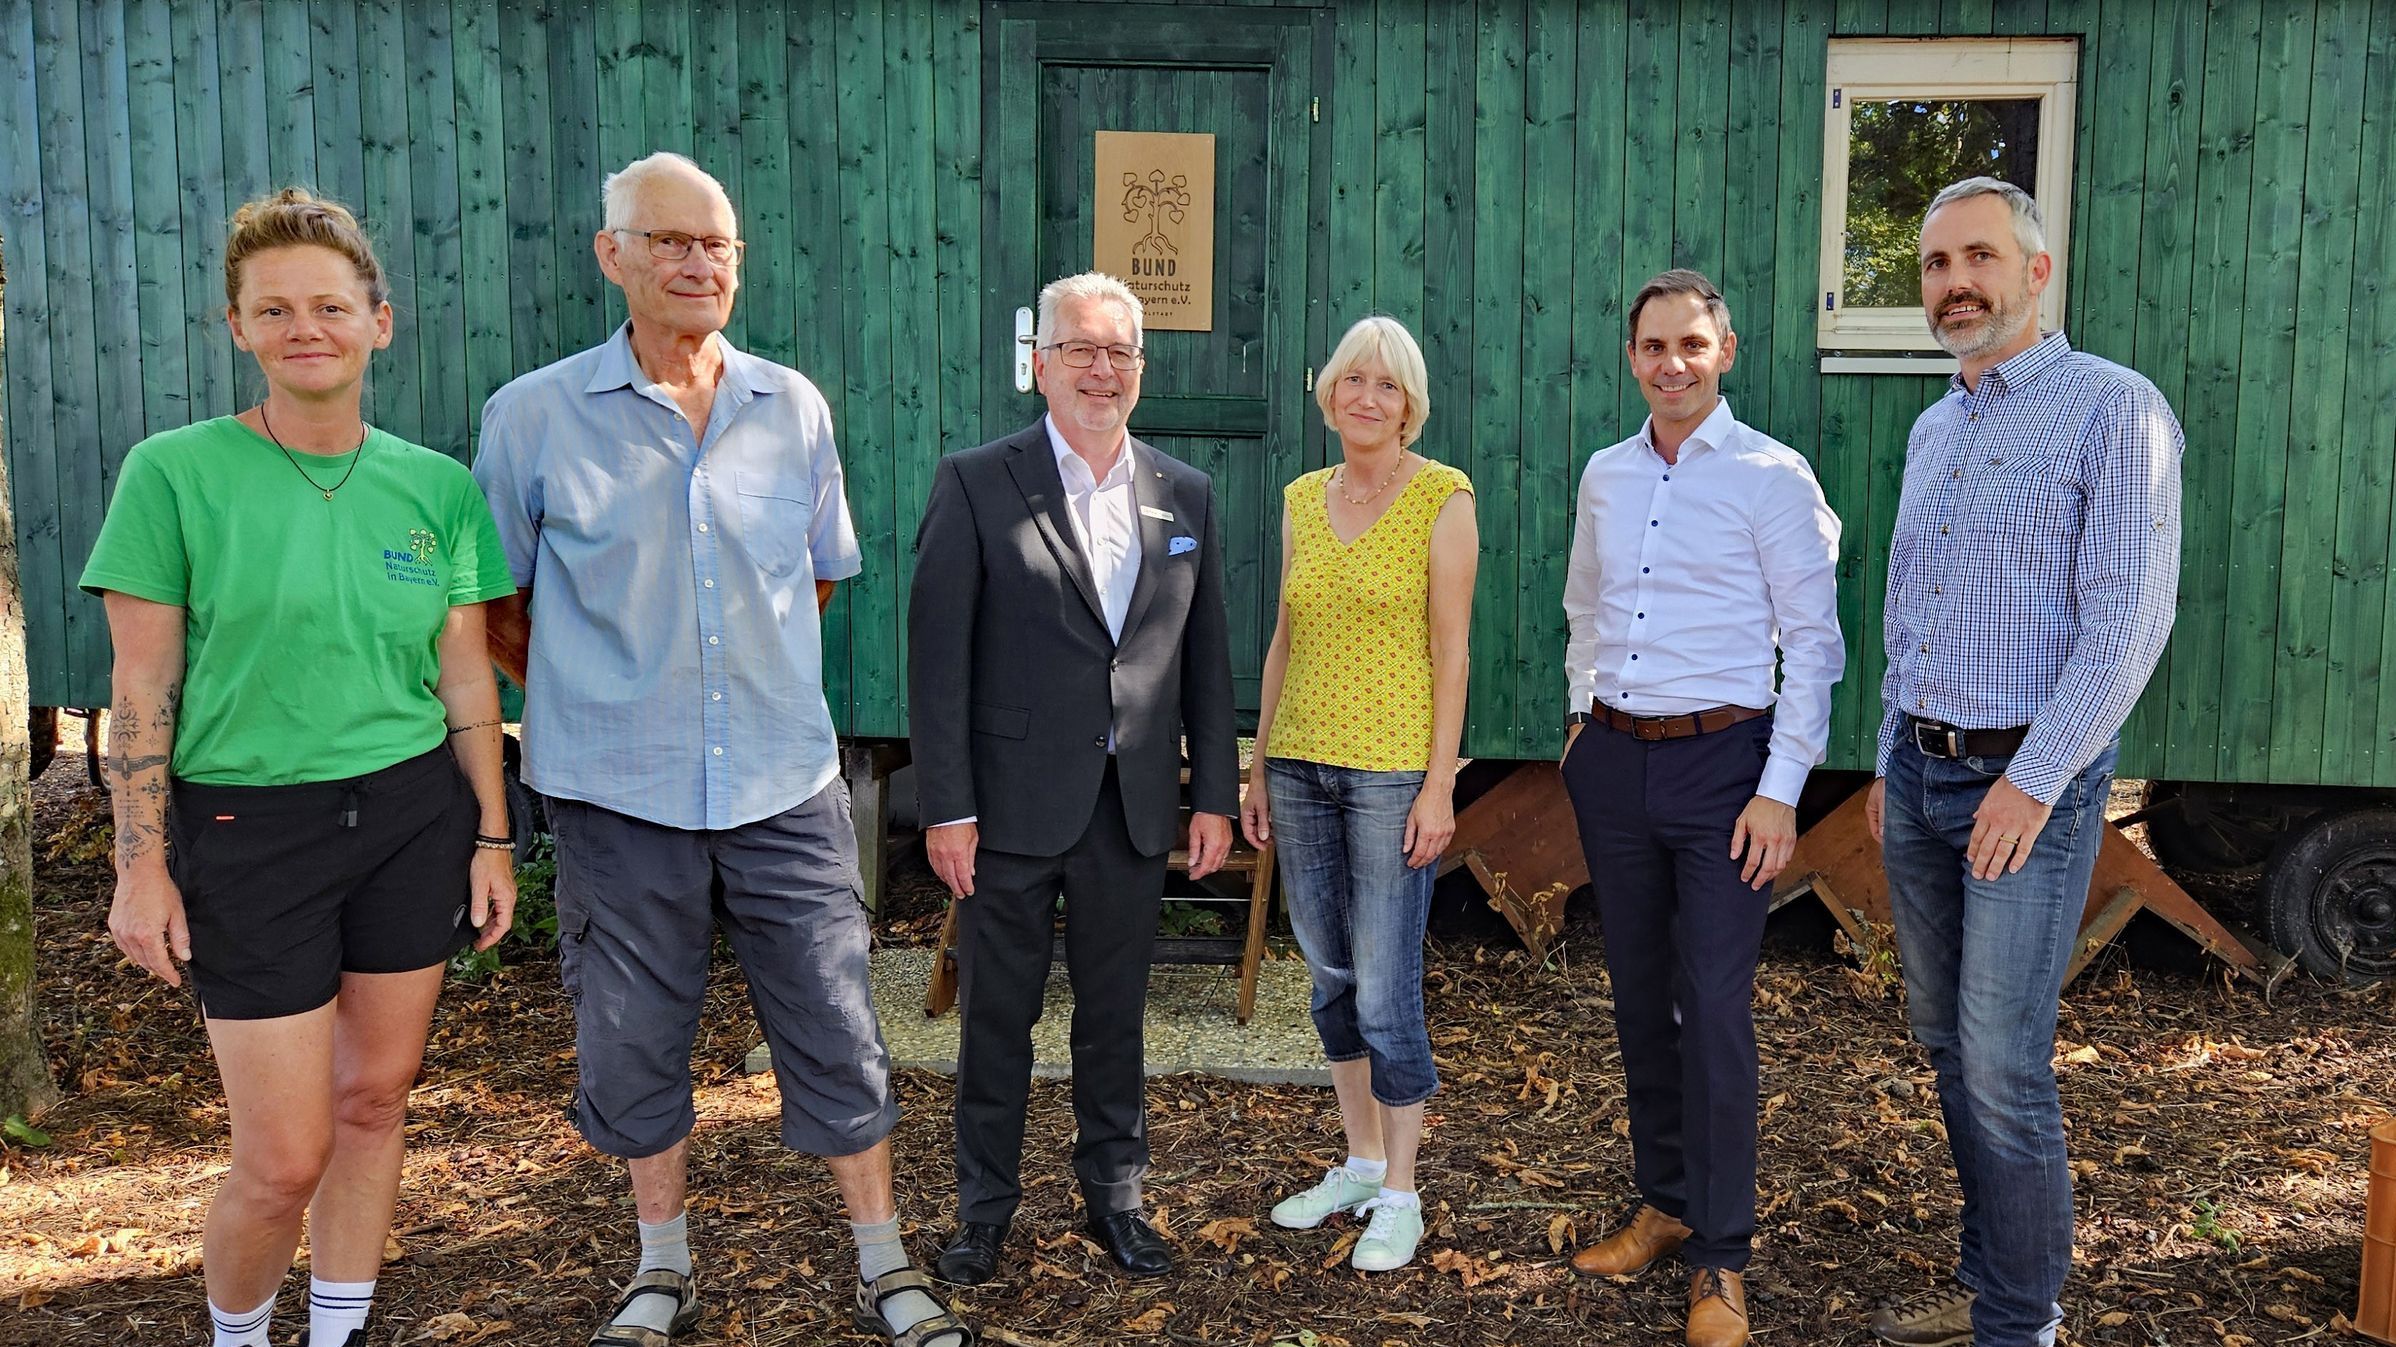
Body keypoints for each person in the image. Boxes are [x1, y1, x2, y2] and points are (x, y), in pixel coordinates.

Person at [473, 153, 972, 1347]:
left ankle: (885, 1266)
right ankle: (661, 1270)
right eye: (670, 242)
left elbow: (813, 582)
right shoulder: (532, 416)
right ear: (613, 257)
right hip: (611, 794)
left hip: (780, 787)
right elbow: (492, 605)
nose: (699, 263)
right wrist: (603, 697)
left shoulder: (789, 407)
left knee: (838, 1030)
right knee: (632, 1039)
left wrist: (726, 684)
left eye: (718, 246)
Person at [84, 188, 518, 1347]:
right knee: (282, 1156)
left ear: (381, 321)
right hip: (247, 831)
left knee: (372, 1104)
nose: (304, 327)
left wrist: (490, 833)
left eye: (331, 305)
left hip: (411, 819)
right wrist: (139, 869)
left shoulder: (435, 486)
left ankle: (339, 1333)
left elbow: (467, 678)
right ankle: (237, 1338)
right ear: (237, 328)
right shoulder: (172, 474)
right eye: (272, 309)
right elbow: (139, 691)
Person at [1862, 177, 2180, 1347]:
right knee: (1947, 1049)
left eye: (1977, 259)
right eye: (1935, 264)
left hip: (2025, 788)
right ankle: (1984, 1276)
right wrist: (1895, 750)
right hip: (1921, 774)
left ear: (2034, 273)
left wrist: (2034, 781)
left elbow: (2127, 625)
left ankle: (2017, 1326)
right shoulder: (1934, 425)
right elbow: (1914, 607)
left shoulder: (2113, 409)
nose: (1954, 284)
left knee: (2003, 1066)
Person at [907, 271, 1239, 1285]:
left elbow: (1204, 655)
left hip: (1131, 808)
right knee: (995, 1019)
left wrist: (1212, 793)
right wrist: (946, 805)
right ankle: (981, 1212)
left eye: (1120, 353)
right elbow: (936, 656)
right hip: (1005, 809)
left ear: (1141, 369)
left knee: (1114, 1016)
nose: (1101, 370)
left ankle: (1117, 1198)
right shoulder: (975, 480)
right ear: (1039, 364)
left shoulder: (1183, 494)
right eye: (1080, 350)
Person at [1558, 270, 1844, 1347]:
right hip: (1614, 764)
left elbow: (1812, 647)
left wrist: (1779, 793)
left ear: (1724, 351)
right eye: (1650, 346)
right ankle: (1666, 1204)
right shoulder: (1604, 475)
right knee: (1638, 997)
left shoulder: (1772, 478)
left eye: (1690, 344)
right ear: (1629, 357)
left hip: (1726, 770)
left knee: (1712, 1009)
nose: (1669, 363)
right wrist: (1578, 725)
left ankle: (1722, 1256)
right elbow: (1585, 605)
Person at [1240, 316, 1475, 1273]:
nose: (1367, 397)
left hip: (1389, 777)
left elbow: (1452, 651)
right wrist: (1257, 762)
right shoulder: (1302, 497)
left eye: (1387, 384)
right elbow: (1284, 640)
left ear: (1408, 402)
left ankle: (1403, 1193)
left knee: (1386, 991)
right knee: (1330, 977)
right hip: (1299, 765)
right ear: (1330, 392)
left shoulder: (1441, 497)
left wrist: (1438, 785)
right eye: (1352, 380)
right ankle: (1359, 1158)